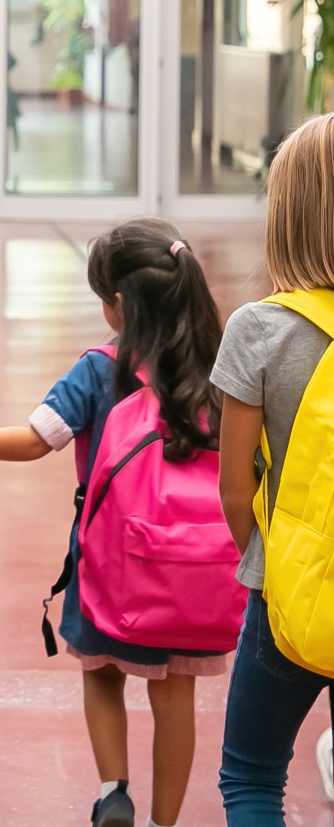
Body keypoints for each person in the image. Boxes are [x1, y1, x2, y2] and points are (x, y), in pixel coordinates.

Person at [0, 218, 228, 827]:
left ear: (120, 306)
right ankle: (165, 820)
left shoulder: (101, 370)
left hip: (112, 560)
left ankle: (114, 791)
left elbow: (34, 441)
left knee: (101, 670)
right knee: (174, 692)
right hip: (197, 568)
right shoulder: (218, 370)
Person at [212, 112, 334, 826]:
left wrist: (267, 564)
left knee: (253, 776)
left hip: (288, 592)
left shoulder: (259, 329)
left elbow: (235, 489)